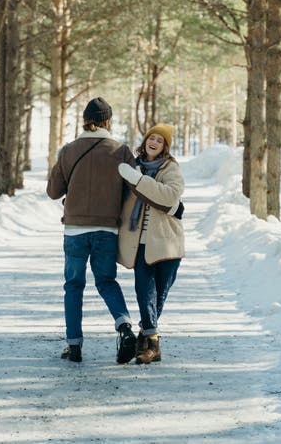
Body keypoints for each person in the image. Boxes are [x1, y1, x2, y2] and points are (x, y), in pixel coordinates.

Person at [47, 96, 137, 364]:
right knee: (107, 281)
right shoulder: (121, 150)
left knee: (73, 286)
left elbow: (53, 192)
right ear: (108, 121)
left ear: (85, 122)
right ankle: (124, 326)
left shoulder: (69, 150)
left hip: (75, 229)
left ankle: (74, 346)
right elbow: (135, 187)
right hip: (106, 229)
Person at [117, 122, 185, 364]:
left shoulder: (170, 168)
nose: (154, 142)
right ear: (145, 141)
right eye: (151, 138)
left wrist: (139, 180)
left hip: (167, 242)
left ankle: (144, 339)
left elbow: (169, 195)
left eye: (160, 140)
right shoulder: (132, 167)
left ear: (165, 147)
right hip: (139, 242)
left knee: (159, 295)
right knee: (143, 293)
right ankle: (153, 343)